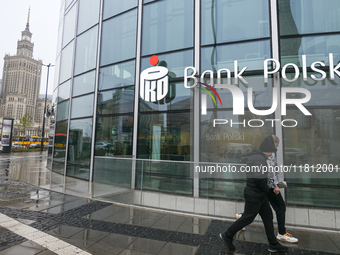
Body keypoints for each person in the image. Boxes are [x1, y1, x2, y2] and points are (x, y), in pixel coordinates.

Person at [219, 136, 288, 253]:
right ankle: (227, 235)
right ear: (266, 150)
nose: (271, 154)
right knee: (247, 218)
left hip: (258, 194)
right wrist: (267, 190)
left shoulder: (255, 157)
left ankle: (273, 244)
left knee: (268, 217)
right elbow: (259, 179)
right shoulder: (260, 160)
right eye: (270, 152)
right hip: (255, 195)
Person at [236, 135, 298, 243]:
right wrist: (275, 185)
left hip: (266, 186)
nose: (278, 146)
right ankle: (281, 233)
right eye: (277, 144)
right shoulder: (270, 153)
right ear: (273, 143)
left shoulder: (266, 153)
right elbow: (269, 171)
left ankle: (242, 216)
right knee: (280, 207)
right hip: (268, 186)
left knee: (258, 210)